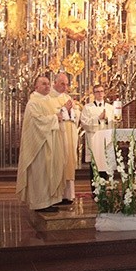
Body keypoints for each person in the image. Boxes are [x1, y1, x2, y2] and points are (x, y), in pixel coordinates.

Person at [16, 75, 66, 212]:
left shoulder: (48, 100)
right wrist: (55, 118)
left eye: (48, 84)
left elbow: (55, 115)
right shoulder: (33, 102)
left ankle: (49, 201)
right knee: (40, 173)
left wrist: (59, 115)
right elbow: (37, 121)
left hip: (51, 142)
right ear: (36, 87)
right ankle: (40, 203)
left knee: (49, 171)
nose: (47, 86)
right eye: (43, 84)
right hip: (39, 145)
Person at [50, 72, 80, 205]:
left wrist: (71, 110)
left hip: (70, 135)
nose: (65, 86)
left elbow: (77, 115)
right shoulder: (49, 98)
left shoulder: (67, 97)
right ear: (55, 83)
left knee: (69, 162)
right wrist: (63, 109)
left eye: (67, 84)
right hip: (57, 136)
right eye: (62, 83)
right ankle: (56, 195)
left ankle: (68, 195)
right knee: (58, 163)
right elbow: (50, 114)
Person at [80, 84, 114, 188]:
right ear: (94, 94)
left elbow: (114, 123)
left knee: (106, 164)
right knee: (94, 166)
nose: (100, 93)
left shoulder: (110, 108)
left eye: (102, 91)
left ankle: (105, 188)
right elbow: (84, 123)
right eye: (97, 92)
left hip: (106, 139)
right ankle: (95, 190)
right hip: (94, 140)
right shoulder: (87, 107)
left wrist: (107, 119)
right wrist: (98, 118)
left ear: (104, 93)